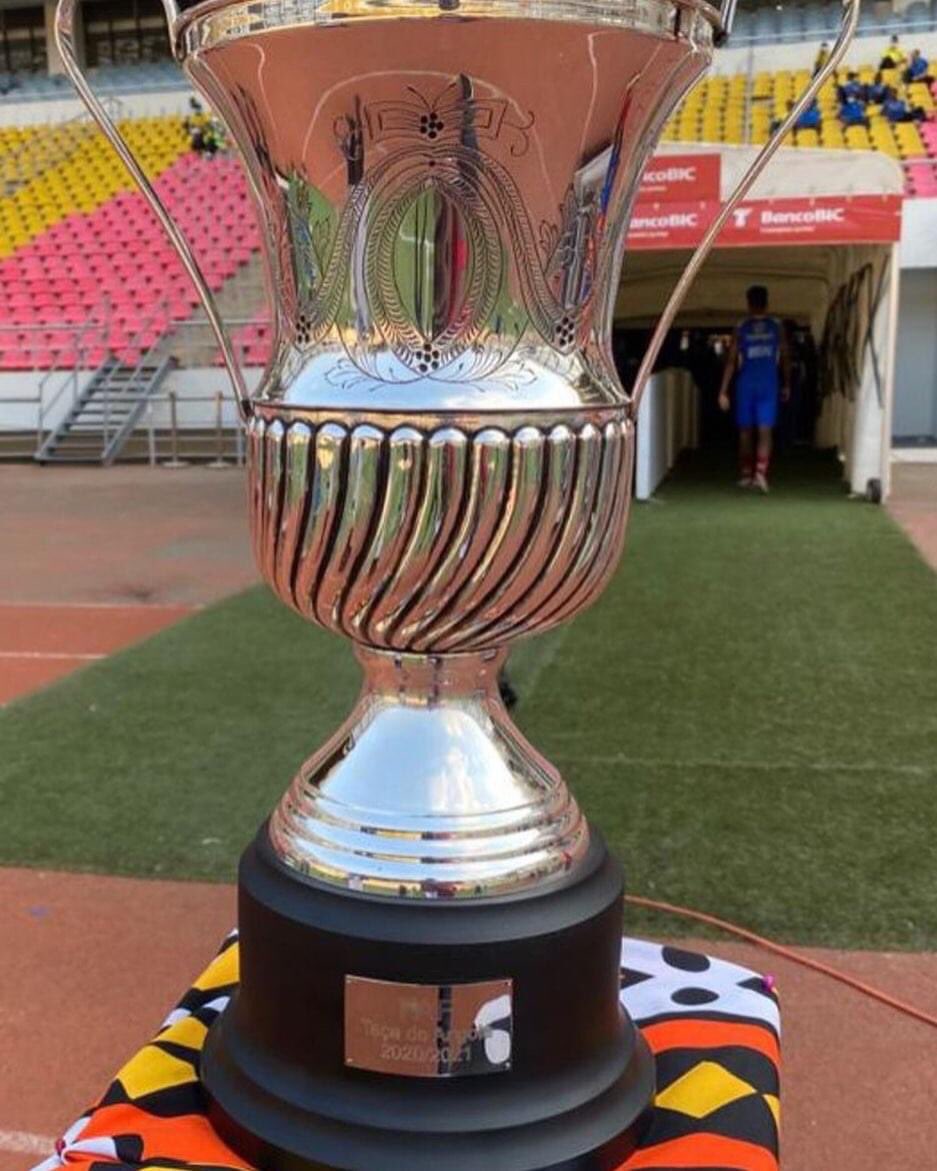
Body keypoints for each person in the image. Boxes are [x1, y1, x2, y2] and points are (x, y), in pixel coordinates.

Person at [718, 286, 791, 493]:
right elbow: (785, 357)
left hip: (747, 384)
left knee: (746, 431)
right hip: (768, 383)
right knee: (764, 430)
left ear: (748, 304)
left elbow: (731, 361)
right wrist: (787, 383)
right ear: (767, 303)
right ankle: (759, 473)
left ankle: (747, 474)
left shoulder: (741, 327)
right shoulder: (776, 326)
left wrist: (723, 390)